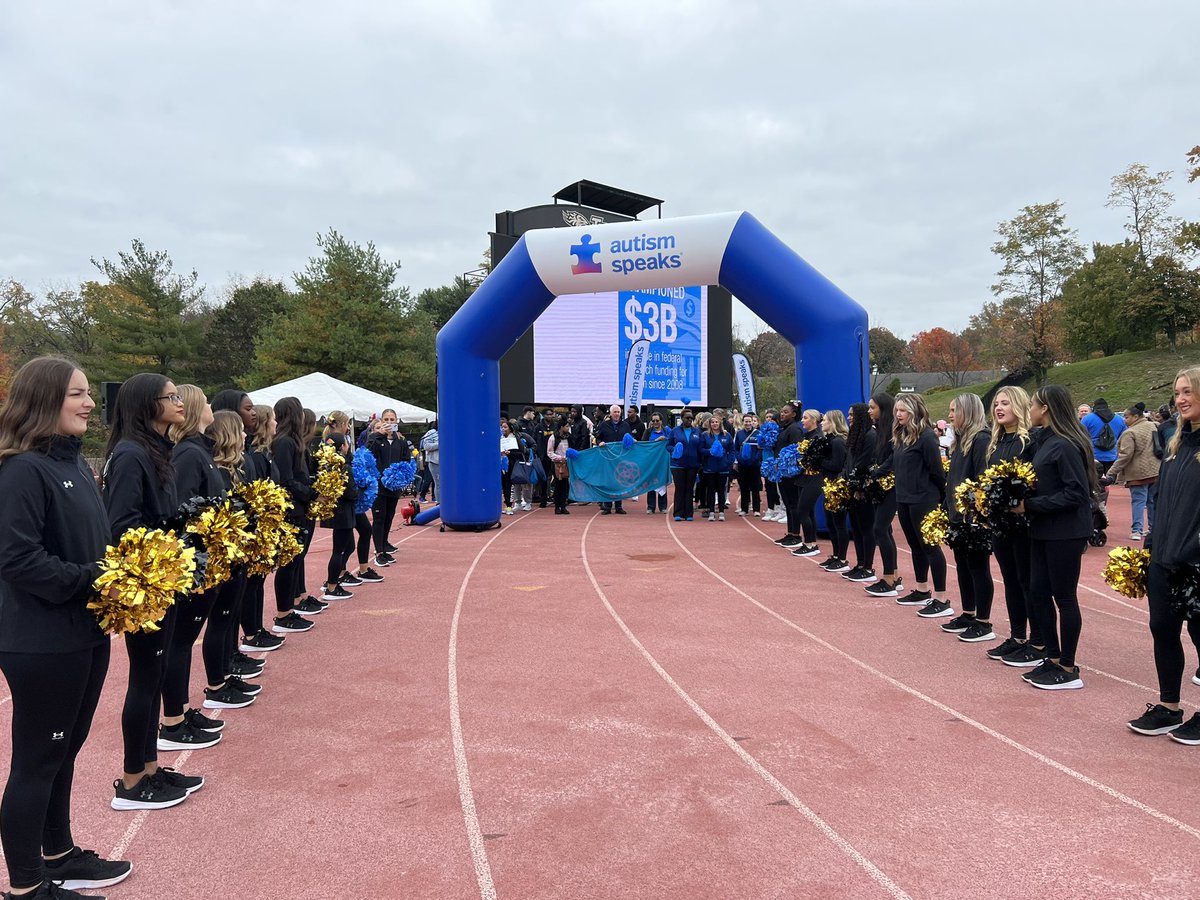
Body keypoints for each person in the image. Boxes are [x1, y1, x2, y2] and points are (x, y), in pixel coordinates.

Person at [0, 357, 134, 898]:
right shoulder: (21, 470)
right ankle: (27, 887)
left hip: (83, 633)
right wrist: (93, 583)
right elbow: (15, 558)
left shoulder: (75, 465)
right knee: (37, 760)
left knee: (65, 749)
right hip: (41, 641)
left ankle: (58, 851)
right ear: (43, 399)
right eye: (76, 394)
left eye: (88, 394)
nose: (89, 403)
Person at [103, 373, 204, 811]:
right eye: (170, 397)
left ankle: (149, 767)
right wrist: (167, 538)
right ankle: (131, 780)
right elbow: (121, 526)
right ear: (148, 405)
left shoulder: (157, 450)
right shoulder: (130, 455)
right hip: (146, 584)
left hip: (164, 579)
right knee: (144, 679)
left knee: (154, 675)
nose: (179, 402)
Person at [159, 385, 246, 755]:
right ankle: (172, 720)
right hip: (197, 564)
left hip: (210, 560)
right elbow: (184, 511)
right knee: (180, 642)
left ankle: (180, 712)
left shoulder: (199, 451)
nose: (211, 406)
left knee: (185, 640)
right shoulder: (189, 455)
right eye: (205, 402)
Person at [1127, 366, 1200, 742]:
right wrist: (1153, 542)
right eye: (1177, 392)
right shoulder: (1174, 445)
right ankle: (1170, 706)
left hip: (1197, 564)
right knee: (1162, 630)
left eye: (1189, 391)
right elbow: (1162, 502)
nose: (1181, 399)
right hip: (1165, 560)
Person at [1013, 384, 1096, 691]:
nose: (1029, 410)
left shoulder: (1065, 445)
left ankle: (1069, 666)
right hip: (1043, 528)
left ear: (1045, 409)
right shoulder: (1044, 441)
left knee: (1063, 596)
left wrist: (1031, 504)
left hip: (1066, 531)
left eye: (1032, 405)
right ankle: (1052, 655)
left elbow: (1077, 493)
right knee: (1037, 591)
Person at [983, 387, 1043, 667]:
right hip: (1000, 522)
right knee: (1010, 580)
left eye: (1005, 403)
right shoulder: (996, 441)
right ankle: (1018, 636)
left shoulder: (1028, 441)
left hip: (1023, 523)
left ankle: (1038, 640)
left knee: (1027, 581)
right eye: (996, 403)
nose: (999, 408)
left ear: (1018, 405)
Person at [939, 393, 996, 642]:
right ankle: (968, 613)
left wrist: (972, 512)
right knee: (963, 566)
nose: (950, 416)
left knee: (978, 567)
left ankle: (983, 622)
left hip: (973, 518)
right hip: (957, 516)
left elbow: (982, 480)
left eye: (954, 411)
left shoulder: (981, 440)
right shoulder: (960, 442)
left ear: (968, 412)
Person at [891, 393, 951, 616]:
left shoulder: (926, 436)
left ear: (914, 412)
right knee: (915, 546)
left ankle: (942, 598)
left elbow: (936, 470)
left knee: (930, 547)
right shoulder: (900, 435)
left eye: (903, 411)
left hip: (924, 498)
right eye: (897, 410)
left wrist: (942, 496)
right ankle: (922, 589)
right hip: (904, 498)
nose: (898, 415)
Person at [237, 404, 287, 652]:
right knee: (252, 583)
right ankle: (251, 633)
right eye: (274, 420)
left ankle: (257, 629)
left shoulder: (265, 453)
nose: (277, 424)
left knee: (258, 582)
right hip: (258, 529)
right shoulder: (255, 456)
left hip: (267, 527)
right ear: (266, 423)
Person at [270, 397, 318, 634]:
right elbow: (286, 480)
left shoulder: (292, 442)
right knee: (288, 563)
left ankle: (291, 606)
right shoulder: (284, 443)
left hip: (300, 508)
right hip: (291, 510)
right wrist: (310, 494)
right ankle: (283, 614)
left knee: (296, 560)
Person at [1104, 405, 1160, 541]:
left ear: (1135, 417)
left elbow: (1125, 455)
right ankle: (1153, 529)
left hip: (1137, 473)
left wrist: (1111, 473)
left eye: (1126, 416)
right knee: (1151, 501)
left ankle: (1137, 530)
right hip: (1155, 469)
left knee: (1138, 501)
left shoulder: (1130, 433)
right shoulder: (1153, 426)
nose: (1124, 420)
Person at [318, 430, 359, 601]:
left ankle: (336, 578)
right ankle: (331, 586)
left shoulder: (327, 464)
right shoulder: (343, 467)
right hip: (342, 512)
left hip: (337, 511)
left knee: (349, 546)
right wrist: (360, 490)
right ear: (343, 447)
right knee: (339, 550)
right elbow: (350, 493)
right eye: (346, 443)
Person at [367, 409, 410, 564]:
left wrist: (401, 477)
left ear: (397, 421)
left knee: (389, 517)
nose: (389, 422)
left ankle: (384, 545)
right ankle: (379, 552)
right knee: (379, 518)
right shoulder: (375, 439)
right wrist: (380, 435)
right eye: (386, 419)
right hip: (378, 487)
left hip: (394, 487)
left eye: (392, 419)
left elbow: (406, 460)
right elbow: (368, 454)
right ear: (382, 421)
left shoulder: (401, 442)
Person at [841, 403, 878, 583]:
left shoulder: (871, 435)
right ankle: (860, 564)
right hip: (852, 487)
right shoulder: (854, 436)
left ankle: (868, 567)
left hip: (863, 490)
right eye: (848, 415)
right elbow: (848, 462)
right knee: (856, 528)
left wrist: (858, 486)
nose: (849, 418)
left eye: (852, 415)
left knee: (866, 528)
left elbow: (863, 462)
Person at [817, 410, 850, 572]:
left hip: (837, 487)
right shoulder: (831, 441)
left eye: (824, 420)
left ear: (833, 422)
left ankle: (842, 558)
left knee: (838, 524)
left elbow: (836, 465)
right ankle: (836, 556)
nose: (822, 423)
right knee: (831, 523)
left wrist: (819, 460)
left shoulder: (837, 442)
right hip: (830, 485)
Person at [595, 405, 631, 515]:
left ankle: (619, 506)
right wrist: (599, 442)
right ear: (610, 414)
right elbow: (597, 437)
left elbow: (628, 438)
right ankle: (607, 506)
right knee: (608, 481)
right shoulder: (603, 425)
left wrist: (632, 440)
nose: (616, 414)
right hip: (608, 458)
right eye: (614, 412)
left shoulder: (625, 425)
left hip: (620, 458)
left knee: (619, 481)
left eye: (618, 412)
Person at [668, 410, 702, 521]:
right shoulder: (675, 431)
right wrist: (674, 450)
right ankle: (678, 512)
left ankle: (688, 514)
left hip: (692, 465)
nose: (689, 420)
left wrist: (700, 462)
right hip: (678, 464)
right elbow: (668, 446)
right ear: (682, 418)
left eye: (691, 418)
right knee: (680, 488)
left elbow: (700, 448)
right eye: (687, 418)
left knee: (689, 489)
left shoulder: (697, 432)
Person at [699, 414, 734, 521]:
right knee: (710, 490)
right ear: (710, 424)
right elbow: (701, 449)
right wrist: (710, 452)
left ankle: (722, 511)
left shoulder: (726, 435)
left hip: (723, 467)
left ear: (720, 423)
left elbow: (732, 450)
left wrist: (728, 462)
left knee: (721, 490)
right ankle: (711, 512)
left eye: (716, 422)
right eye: (712, 422)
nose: (715, 424)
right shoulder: (705, 435)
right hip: (709, 467)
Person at [1081, 398, 1125, 476]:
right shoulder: (1120, 419)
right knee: (1112, 484)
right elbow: (1124, 438)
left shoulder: (1087, 419)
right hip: (1113, 457)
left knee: (1096, 484)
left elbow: (1081, 437)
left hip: (1094, 458)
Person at [733, 413, 762, 517]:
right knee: (744, 487)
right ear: (743, 422)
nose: (748, 423)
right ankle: (744, 509)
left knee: (755, 488)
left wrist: (755, 459)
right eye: (746, 421)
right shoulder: (739, 434)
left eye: (750, 421)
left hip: (754, 465)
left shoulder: (758, 433)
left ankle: (756, 509)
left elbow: (760, 449)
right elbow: (735, 448)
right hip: (742, 465)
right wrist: (739, 459)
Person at [642, 413, 671, 514]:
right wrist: (656, 441)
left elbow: (673, 441)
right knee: (651, 483)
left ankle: (663, 506)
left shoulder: (667, 431)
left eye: (657, 421)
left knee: (662, 482)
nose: (655, 423)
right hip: (651, 461)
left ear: (661, 421)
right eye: (653, 421)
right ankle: (651, 506)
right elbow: (643, 445)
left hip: (663, 461)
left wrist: (666, 439)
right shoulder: (648, 431)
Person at [760, 409, 785, 522]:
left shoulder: (780, 432)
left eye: (772, 418)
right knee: (769, 486)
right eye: (767, 417)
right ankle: (771, 508)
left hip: (776, 461)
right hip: (766, 461)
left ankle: (780, 508)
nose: (769, 420)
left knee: (777, 487)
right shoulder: (763, 431)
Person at [547, 418, 572, 515]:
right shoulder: (553, 438)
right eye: (566, 426)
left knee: (565, 485)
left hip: (567, 463)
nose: (568, 428)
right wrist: (559, 458)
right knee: (558, 485)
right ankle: (557, 506)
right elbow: (549, 452)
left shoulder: (569, 437)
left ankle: (563, 505)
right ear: (561, 427)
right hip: (557, 464)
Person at [499, 418, 520, 515]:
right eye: (502, 427)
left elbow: (520, 453)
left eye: (505, 427)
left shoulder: (515, 439)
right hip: (500, 464)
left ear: (510, 429)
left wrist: (510, 453)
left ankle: (509, 506)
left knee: (509, 485)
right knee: (504, 485)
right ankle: (506, 504)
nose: (503, 429)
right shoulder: (499, 438)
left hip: (511, 465)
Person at [419, 420, 439, 503]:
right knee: (430, 480)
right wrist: (440, 444)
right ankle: (422, 496)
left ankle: (434, 497)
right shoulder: (431, 433)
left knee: (437, 483)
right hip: (432, 461)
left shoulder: (448, 432)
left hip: (445, 462)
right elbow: (426, 446)